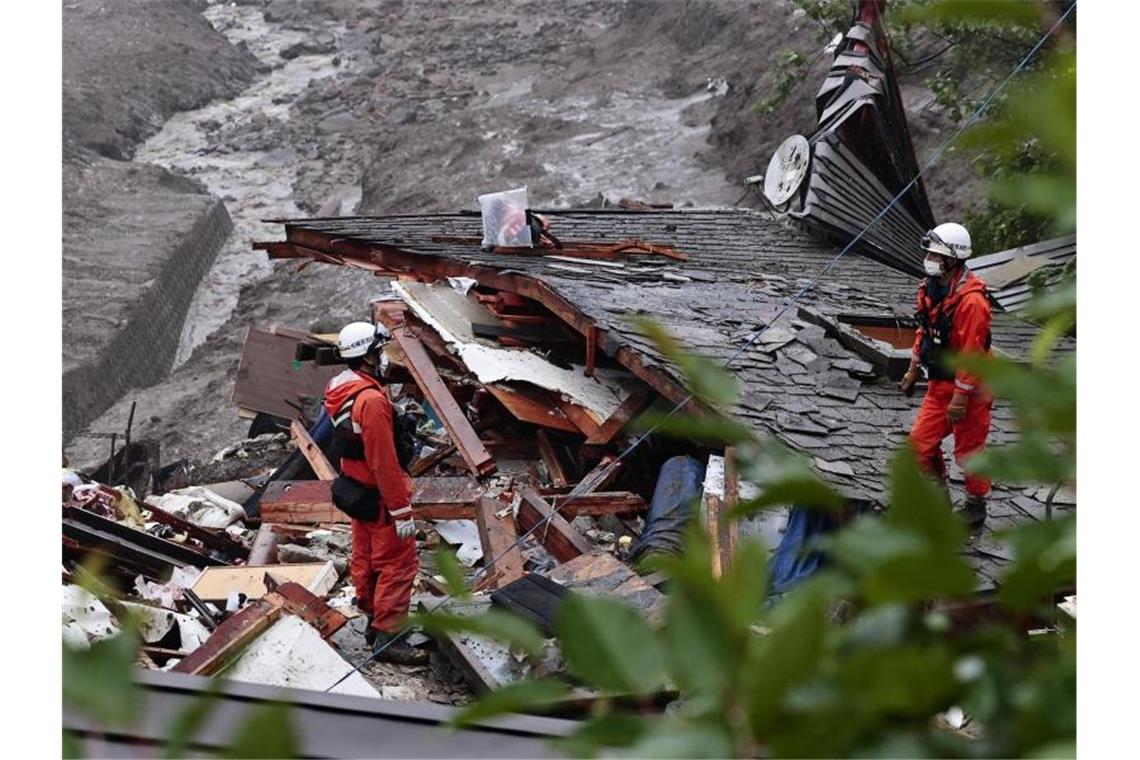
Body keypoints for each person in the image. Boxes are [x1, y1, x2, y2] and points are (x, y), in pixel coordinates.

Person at [323, 321, 427, 665]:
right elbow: (384, 462)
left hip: (356, 493)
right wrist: (401, 511)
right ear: (367, 357)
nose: (382, 358)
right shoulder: (371, 402)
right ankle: (389, 637)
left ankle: (373, 621)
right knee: (397, 565)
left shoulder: (341, 390)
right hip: (381, 499)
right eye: (378, 352)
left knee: (365, 562)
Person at [898, 222, 992, 534]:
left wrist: (961, 396)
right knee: (919, 447)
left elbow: (972, 353)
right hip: (940, 383)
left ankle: (976, 506)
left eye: (936, 255)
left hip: (971, 388)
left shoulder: (972, 302)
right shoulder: (930, 289)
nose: (929, 259)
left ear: (953, 260)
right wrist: (913, 368)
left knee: (969, 452)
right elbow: (926, 331)